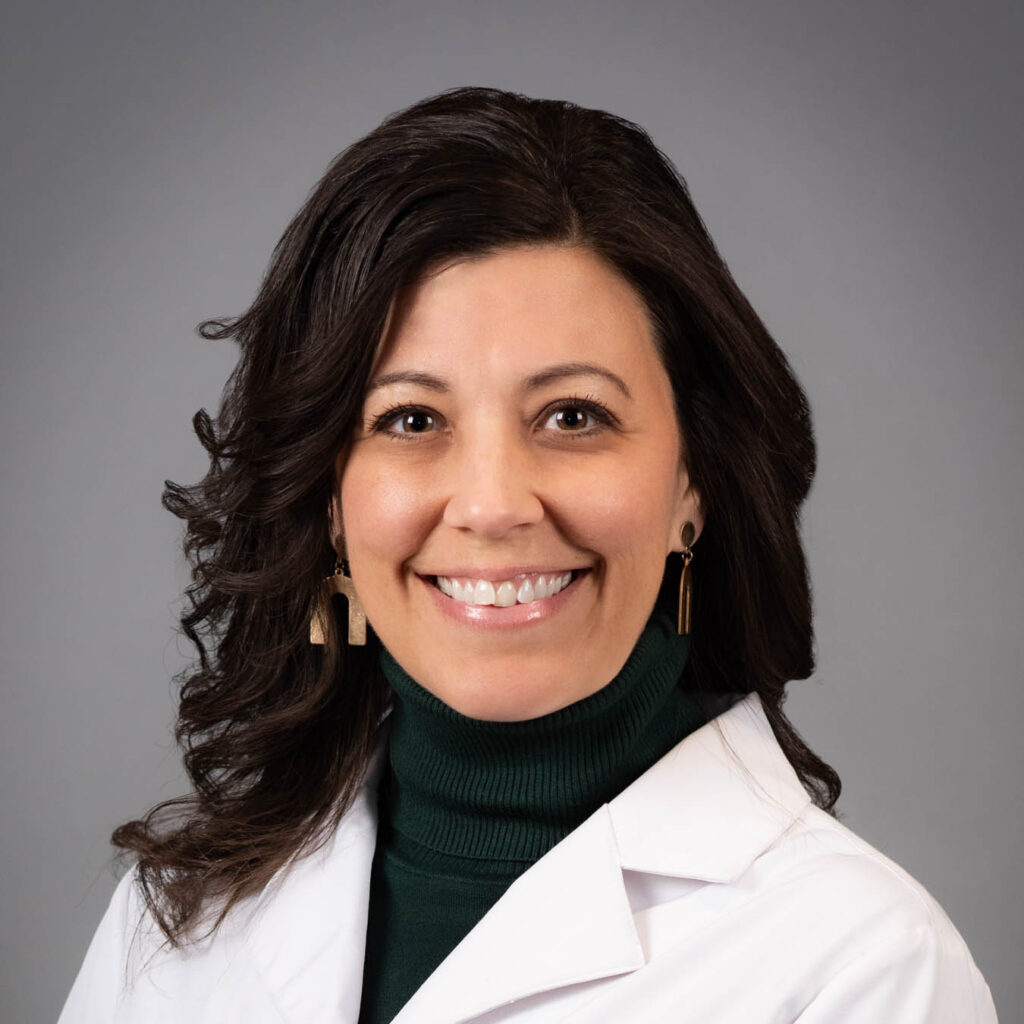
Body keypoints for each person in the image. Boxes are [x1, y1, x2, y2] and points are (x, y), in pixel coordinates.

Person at [57, 87, 997, 1024]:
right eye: (411, 420)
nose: (494, 505)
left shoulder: (867, 968)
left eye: (574, 416)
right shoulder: (176, 920)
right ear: (328, 498)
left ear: (693, 483)